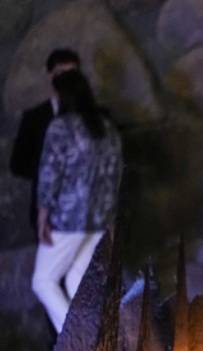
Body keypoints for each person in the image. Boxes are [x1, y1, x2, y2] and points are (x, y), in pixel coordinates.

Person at [31, 69, 122, 333]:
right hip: (98, 220)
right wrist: (111, 220)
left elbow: (50, 174)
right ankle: (93, 342)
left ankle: (76, 342)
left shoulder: (61, 127)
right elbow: (115, 176)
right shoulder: (106, 128)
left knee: (43, 281)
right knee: (77, 283)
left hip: (68, 219)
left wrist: (42, 215)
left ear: (61, 95)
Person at [9, 48, 82, 231]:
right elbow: (18, 164)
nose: (66, 81)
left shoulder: (93, 117)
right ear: (50, 76)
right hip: (48, 214)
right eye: (60, 74)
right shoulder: (34, 118)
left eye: (71, 74)